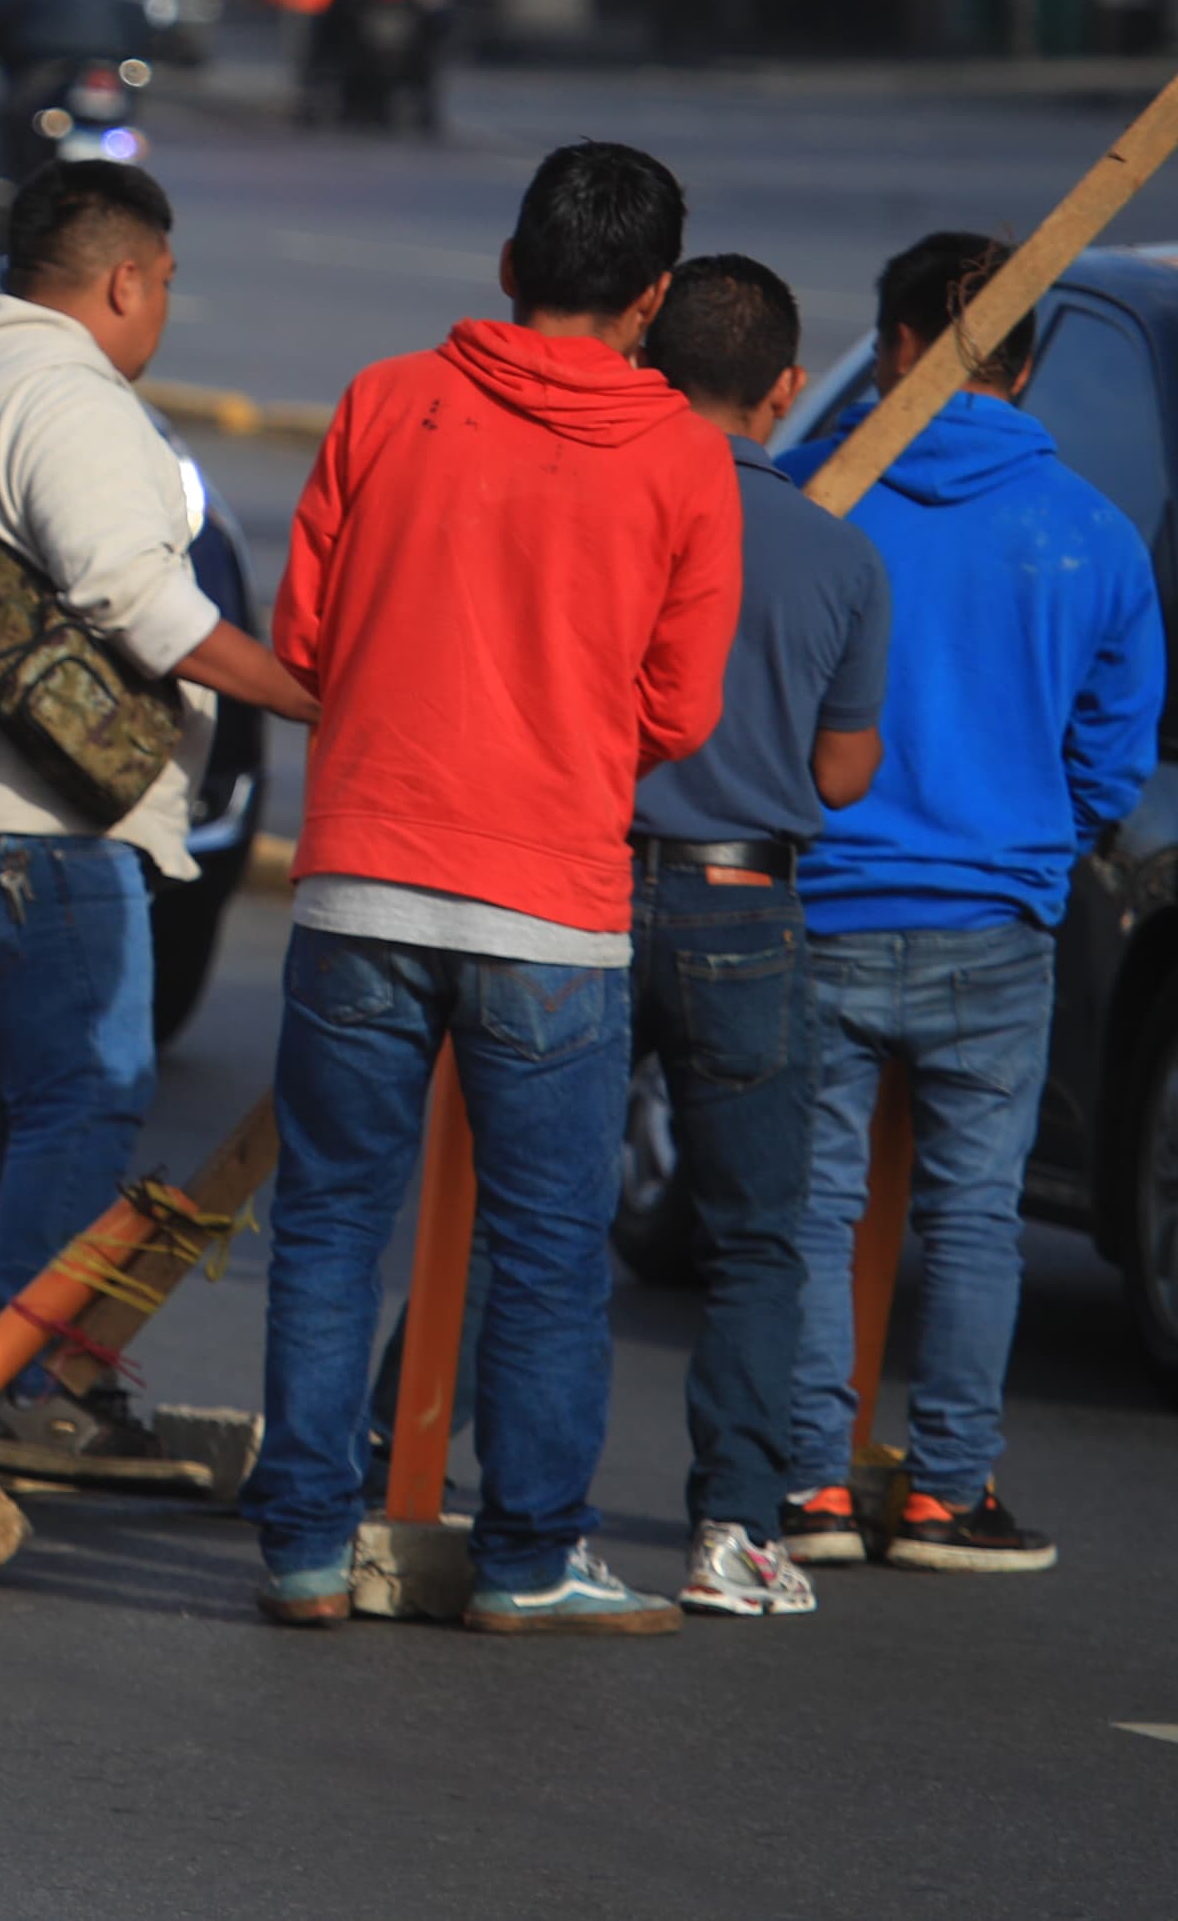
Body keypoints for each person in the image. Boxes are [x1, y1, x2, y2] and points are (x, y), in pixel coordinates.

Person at [243, 141, 739, 1638]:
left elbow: (307, 638)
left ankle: (306, 1552)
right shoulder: (682, 458)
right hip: (550, 906)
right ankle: (530, 1558)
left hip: (359, 886)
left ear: (513, 264)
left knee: (331, 1222)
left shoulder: (387, 402)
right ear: (651, 300)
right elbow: (681, 711)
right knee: (543, 1246)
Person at [0, 161, 315, 1476]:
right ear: (123, 280)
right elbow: (142, 604)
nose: (163, 307)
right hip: (41, 836)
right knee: (80, 1104)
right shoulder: (74, 400)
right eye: (163, 283)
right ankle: (36, 1383)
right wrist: (311, 695)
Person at [780, 233, 1161, 1574]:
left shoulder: (820, 501)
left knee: (814, 1209)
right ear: (1030, 360)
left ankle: (812, 1489)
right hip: (995, 923)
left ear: (895, 347)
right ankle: (945, 1491)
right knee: (975, 1216)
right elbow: (1113, 756)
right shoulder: (1093, 534)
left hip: (821, 907)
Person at [619, 255, 890, 1619]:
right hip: (744, 907)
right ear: (786, 389)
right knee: (759, 1241)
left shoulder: (607, 512)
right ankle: (733, 1527)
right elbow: (843, 776)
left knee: (524, 1213)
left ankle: (399, 1454)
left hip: (585, 889)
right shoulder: (838, 552)